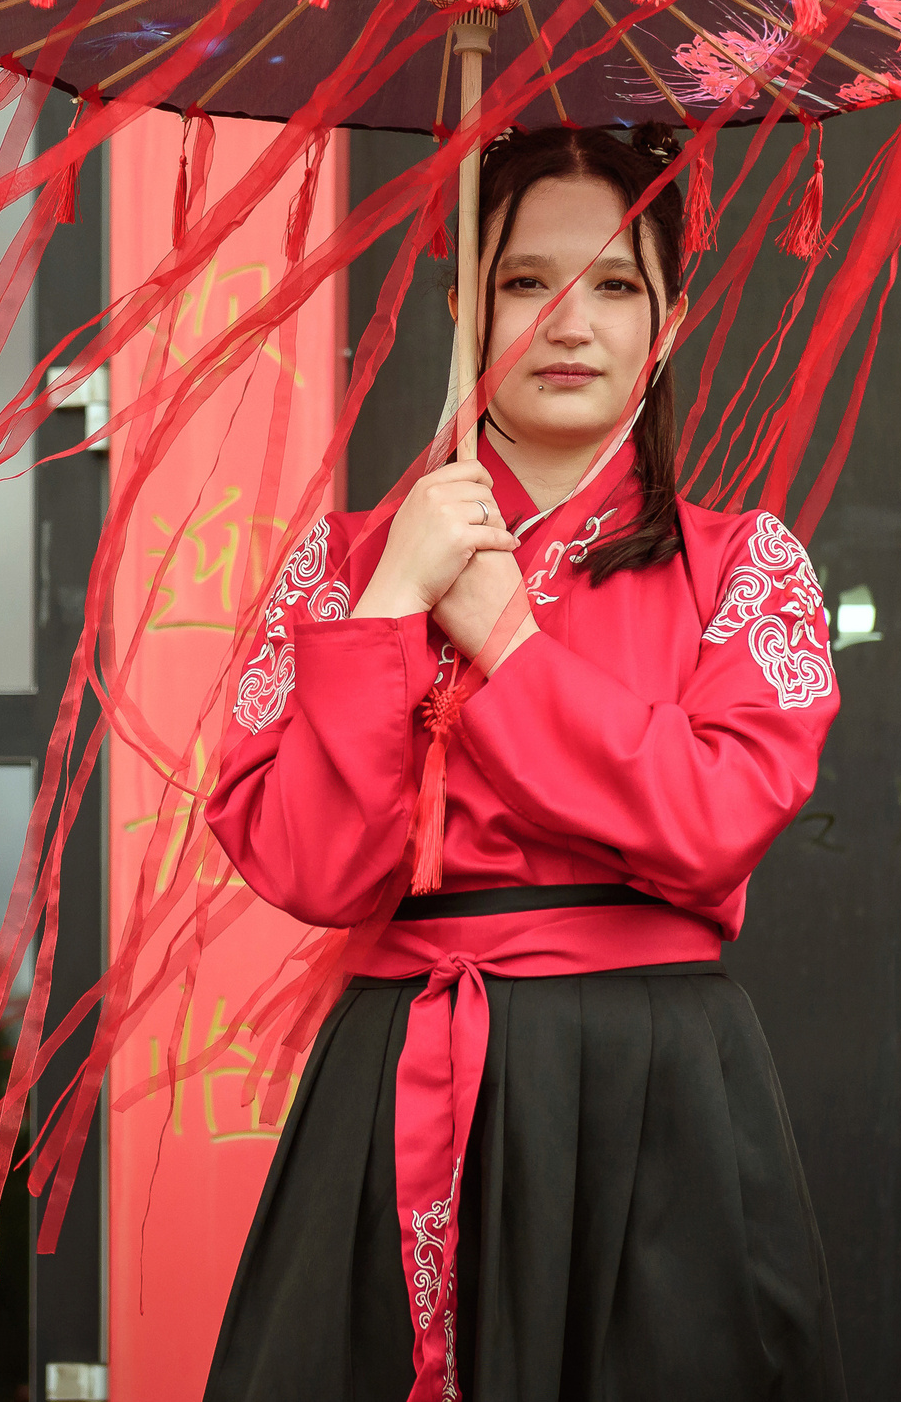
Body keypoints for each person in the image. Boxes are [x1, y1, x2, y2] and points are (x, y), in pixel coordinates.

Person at [200, 126, 844, 1401]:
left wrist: (500, 635)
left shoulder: (744, 566)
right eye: (521, 280)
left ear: (666, 323)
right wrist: (391, 601)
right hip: (398, 1078)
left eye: (613, 284)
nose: (568, 321)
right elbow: (313, 863)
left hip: (653, 1089)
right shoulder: (342, 566)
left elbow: (712, 819)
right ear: (459, 305)